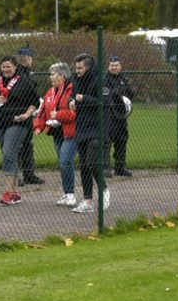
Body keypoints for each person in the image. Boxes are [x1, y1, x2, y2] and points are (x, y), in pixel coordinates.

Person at [0, 55, 40, 205]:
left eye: (8, 66)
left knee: (8, 153)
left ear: (15, 67)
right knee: (9, 155)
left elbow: (35, 102)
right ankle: (15, 193)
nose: (6, 69)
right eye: (3, 67)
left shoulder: (23, 81)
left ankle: (8, 192)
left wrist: (27, 115)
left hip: (17, 122)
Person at [68, 54, 110, 213]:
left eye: (80, 68)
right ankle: (87, 201)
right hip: (82, 127)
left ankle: (104, 190)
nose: (77, 71)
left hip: (98, 128)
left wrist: (83, 98)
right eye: (76, 68)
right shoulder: (76, 79)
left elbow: (103, 102)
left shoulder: (101, 81)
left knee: (93, 162)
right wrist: (71, 101)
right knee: (84, 165)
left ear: (88, 67)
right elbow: (72, 96)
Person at [33, 63, 77, 207]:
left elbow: (74, 114)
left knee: (65, 161)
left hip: (71, 132)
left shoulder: (72, 90)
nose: (50, 77)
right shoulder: (50, 92)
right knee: (63, 163)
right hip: (57, 132)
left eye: (52, 74)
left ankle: (71, 194)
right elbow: (43, 110)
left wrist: (58, 115)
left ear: (61, 76)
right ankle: (67, 193)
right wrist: (38, 125)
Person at [15, 48, 44, 186]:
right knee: (18, 146)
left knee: (27, 144)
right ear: (26, 59)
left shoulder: (25, 73)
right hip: (21, 113)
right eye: (30, 58)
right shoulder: (20, 74)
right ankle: (18, 176)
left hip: (27, 113)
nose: (32, 61)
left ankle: (28, 174)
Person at [103, 55, 136, 177]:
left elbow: (131, 94)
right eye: (112, 65)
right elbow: (107, 95)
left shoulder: (124, 79)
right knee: (106, 141)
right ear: (108, 66)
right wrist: (118, 92)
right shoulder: (104, 79)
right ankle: (106, 168)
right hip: (108, 116)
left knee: (122, 140)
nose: (114, 67)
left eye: (116, 65)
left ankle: (120, 167)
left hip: (121, 116)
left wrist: (121, 92)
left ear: (120, 66)